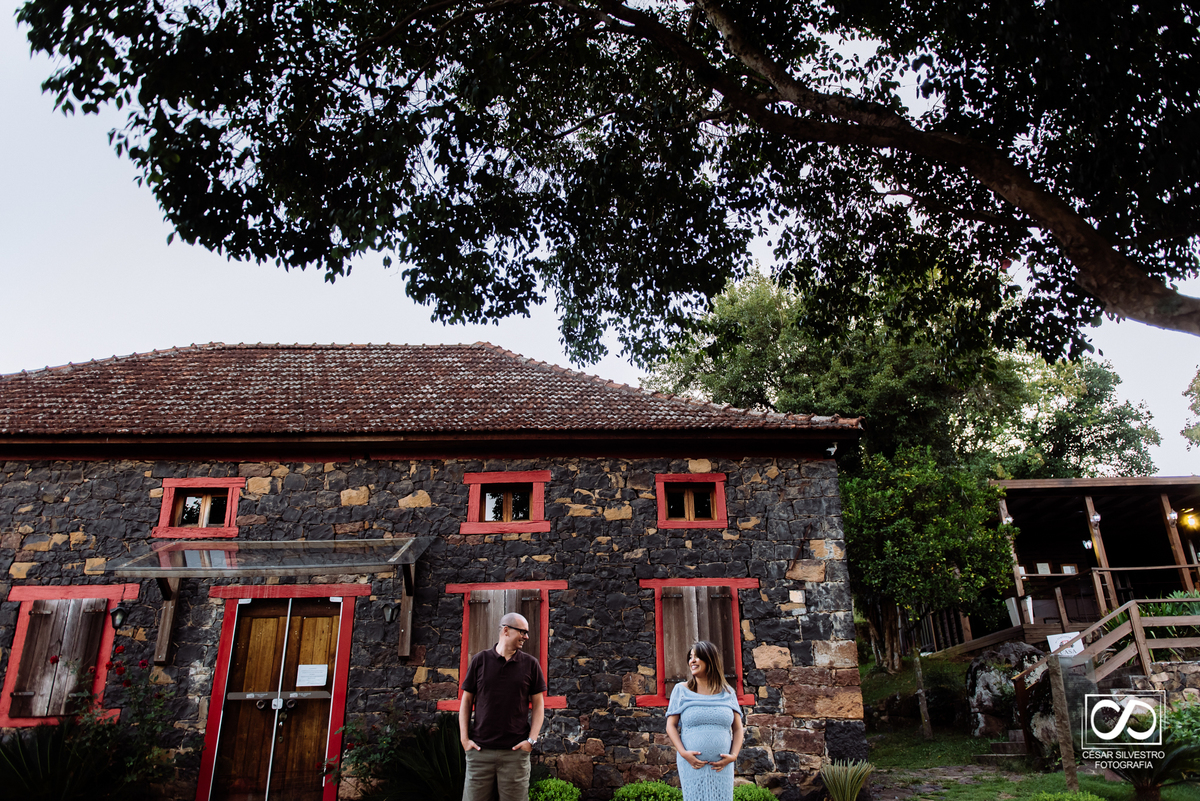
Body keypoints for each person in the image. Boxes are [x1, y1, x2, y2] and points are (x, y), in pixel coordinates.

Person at [459, 612, 546, 801]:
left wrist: (531, 741)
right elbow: (466, 701)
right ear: (506, 630)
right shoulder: (479, 661)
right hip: (479, 753)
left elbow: (539, 706)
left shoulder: (531, 664)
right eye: (523, 632)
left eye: (527, 632)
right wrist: (465, 740)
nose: (526, 637)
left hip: (515, 754)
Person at [665, 641, 745, 801]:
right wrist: (684, 753)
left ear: (710, 660)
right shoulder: (681, 690)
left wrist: (733, 756)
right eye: (690, 657)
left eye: (697, 657)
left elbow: (738, 729)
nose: (692, 661)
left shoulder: (728, 692)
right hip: (692, 764)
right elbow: (670, 726)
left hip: (722, 766)